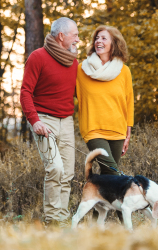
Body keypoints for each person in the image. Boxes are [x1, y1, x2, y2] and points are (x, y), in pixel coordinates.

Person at [20, 17, 79, 226]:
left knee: (68, 173)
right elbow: (25, 92)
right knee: (55, 168)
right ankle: (53, 221)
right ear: (61, 36)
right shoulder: (38, 57)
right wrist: (34, 121)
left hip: (67, 121)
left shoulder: (73, 62)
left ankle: (61, 220)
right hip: (44, 120)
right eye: (75, 36)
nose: (78, 40)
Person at [76, 25, 134, 176]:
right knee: (112, 172)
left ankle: (102, 199)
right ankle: (129, 197)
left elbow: (129, 103)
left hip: (117, 131)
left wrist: (128, 134)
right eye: (96, 38)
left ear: (114, 43)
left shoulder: (124, 71)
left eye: (103, 38)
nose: (98, 41)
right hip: (93, 130)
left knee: (107, 177)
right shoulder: (81, 70)